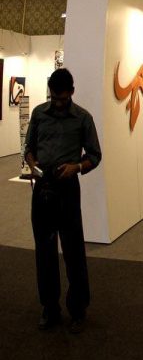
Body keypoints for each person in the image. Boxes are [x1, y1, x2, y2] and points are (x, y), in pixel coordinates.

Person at [24, 68, 102, 334]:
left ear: (71, 92)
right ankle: (50, 308)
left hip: (67, 190)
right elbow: (29, 150)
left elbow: (95, 156)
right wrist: (33, 167)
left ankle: (78, 309)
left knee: (73, 253)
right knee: (44, 253)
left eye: (61, 98)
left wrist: (76, 168)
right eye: (53, 97)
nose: (56, 103)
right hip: (42, 188)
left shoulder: (83, 118)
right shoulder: (38, 114)